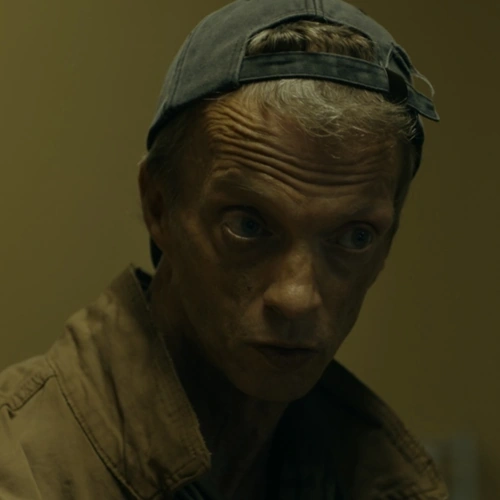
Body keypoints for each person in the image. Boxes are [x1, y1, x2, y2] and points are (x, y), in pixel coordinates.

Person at [0, 0, 448, 499]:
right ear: (159, 206)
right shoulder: (22, 470)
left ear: (388, 241)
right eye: (248, 226)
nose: (296, 298)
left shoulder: (385, 481)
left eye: (355, 237)